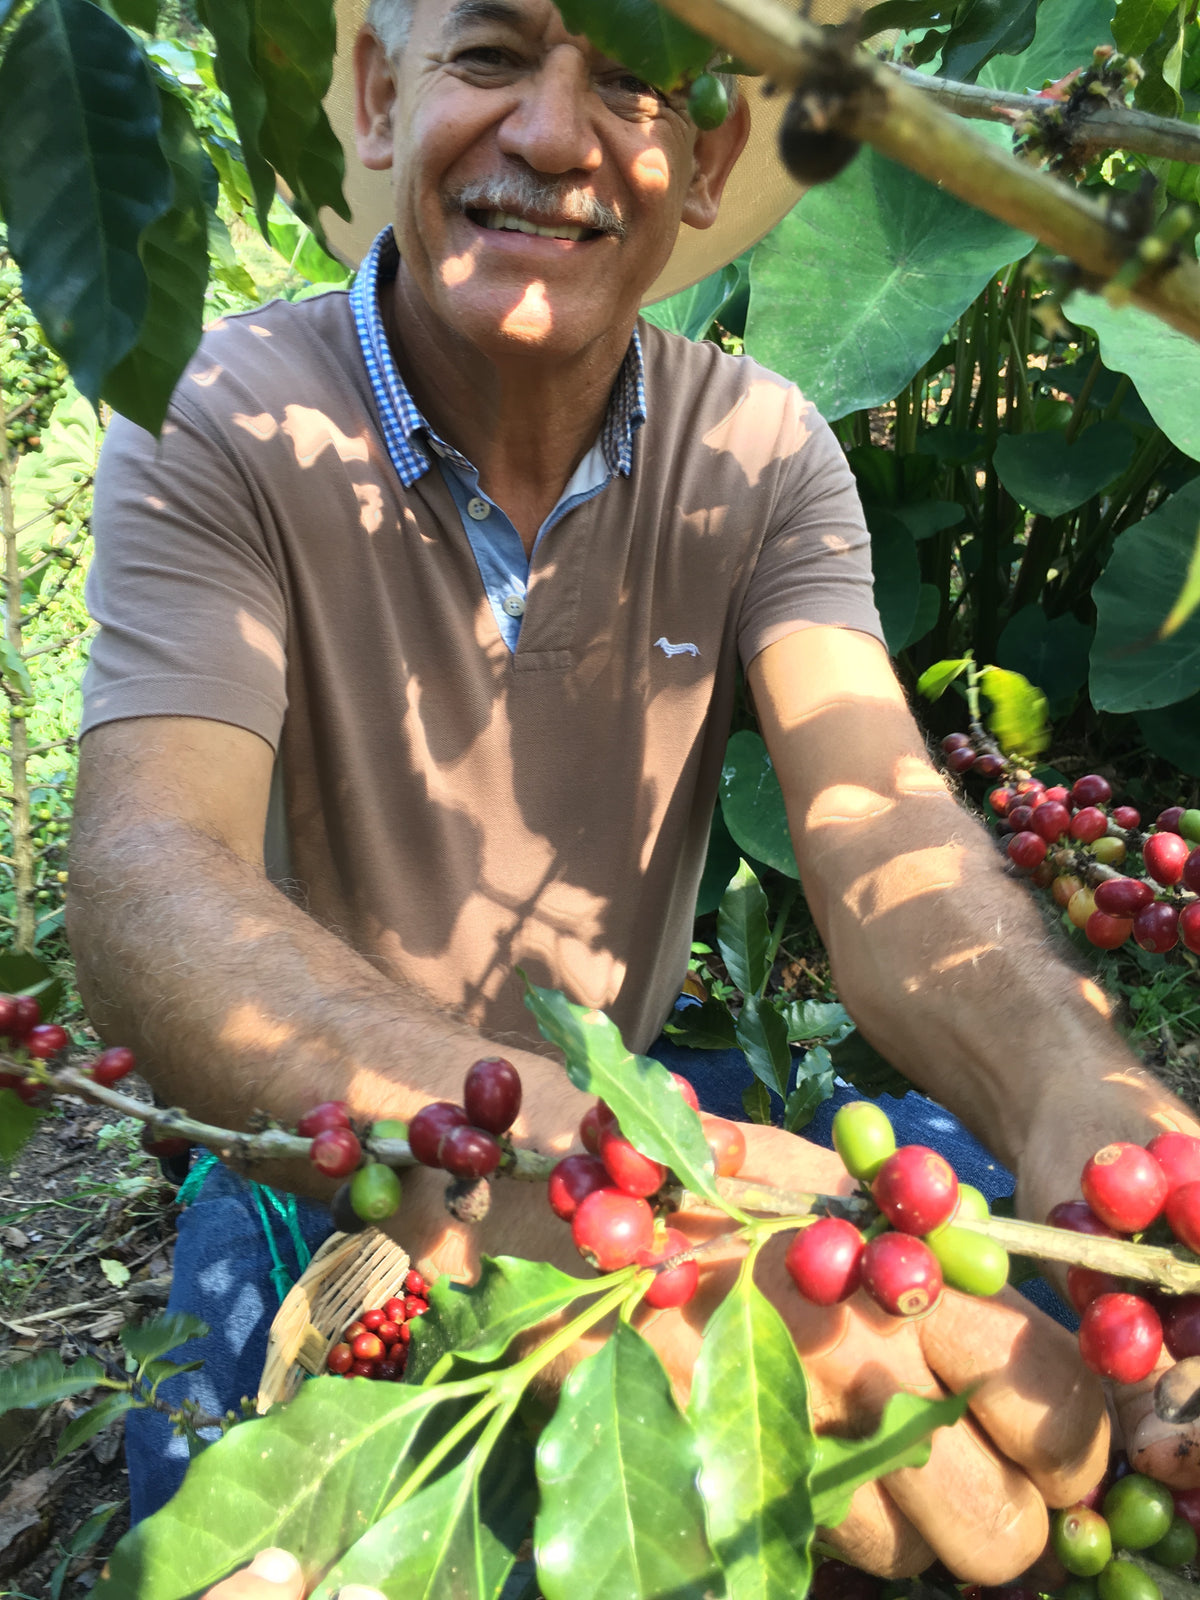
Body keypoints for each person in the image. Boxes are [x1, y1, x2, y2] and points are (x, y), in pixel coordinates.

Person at [65, 0, 1200, 1579]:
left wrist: (1072, 1084)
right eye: (488, 56)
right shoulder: (228, 418)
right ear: (380, 95)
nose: (552, 134)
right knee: (229, 1533)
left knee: (983, 1248)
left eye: (632, 80)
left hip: (641, 1103)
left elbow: (883, 834)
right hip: (340, 1146)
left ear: (710, 156)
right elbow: (147, 874)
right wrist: (573, 1184)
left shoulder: (762, 456)